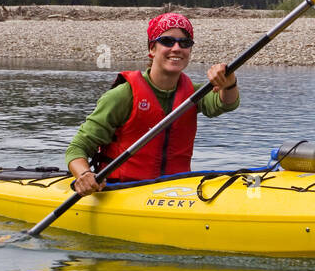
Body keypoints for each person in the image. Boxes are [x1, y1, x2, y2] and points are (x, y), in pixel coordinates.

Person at [66, 12, 239, 195]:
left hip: (175, 190)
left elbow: (226, 103)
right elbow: (77, 148)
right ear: (152, 49)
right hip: (122, 190)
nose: (177, 48)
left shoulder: (194, 95)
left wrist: (229, 83)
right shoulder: (122, 96)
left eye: (185, 43)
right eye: (167, 41)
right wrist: (84, 175)